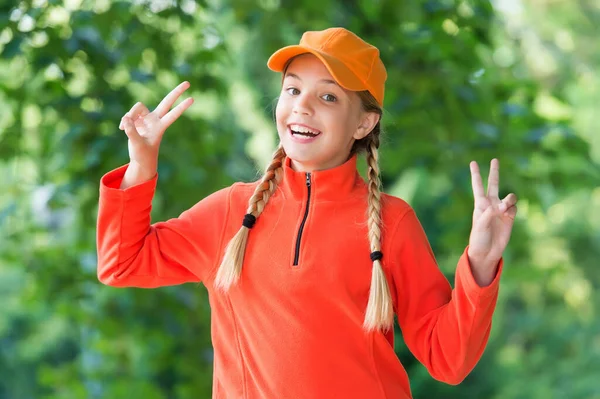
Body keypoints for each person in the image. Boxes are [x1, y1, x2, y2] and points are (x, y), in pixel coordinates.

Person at [96, 27, 518, 399]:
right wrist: (142, 164)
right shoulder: (229, 211)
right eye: (293, 89)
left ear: (363, 124)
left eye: (328, 96)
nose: (303, 106)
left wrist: (480, 263)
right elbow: (121, 263)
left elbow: (448, 360)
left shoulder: (393, 223)